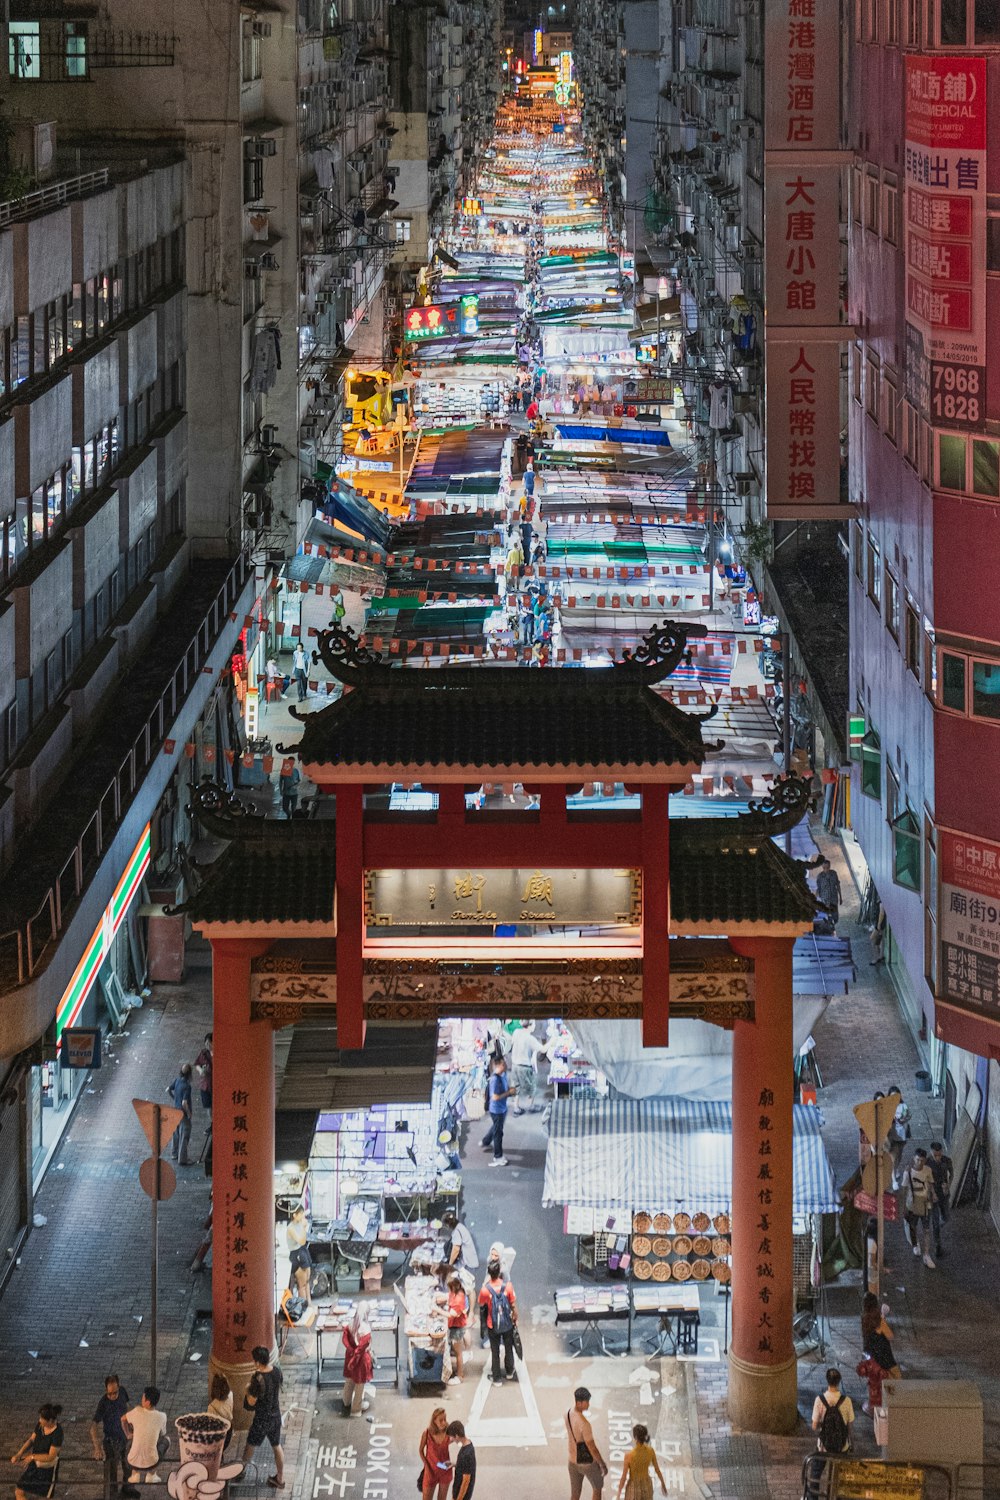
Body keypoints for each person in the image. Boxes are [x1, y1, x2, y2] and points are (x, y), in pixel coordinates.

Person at [806, 1370, 854, 1500]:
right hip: (842, 1445)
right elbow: (850, 1425)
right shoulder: (847, 1401)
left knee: (815, 1472)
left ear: (827, 1380)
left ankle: (813, 1497)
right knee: (841, 1474)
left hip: (824, 1446)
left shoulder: (820, 1400)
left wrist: (824, 1426)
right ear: (839, 1381)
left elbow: (814, 1426)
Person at [241, 1346, 285, 1489]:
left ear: (258, 1362)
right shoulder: (277, 1371)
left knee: (250, 1444)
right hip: (276, 1416)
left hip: (261, 1419)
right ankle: (280, 1478)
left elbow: (251, 1401)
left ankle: (241, 1470)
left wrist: (247, 1389)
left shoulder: (257, 1379)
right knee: (276, 1446)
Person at [121, 1387, 167, 1496]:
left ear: (147, 1402)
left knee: (133, 1441)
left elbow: (123, 1419)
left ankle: (135, 1473)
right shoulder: (162, 1416)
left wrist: (128, 1434)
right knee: (166, 1440)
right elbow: (163, 1434)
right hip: (152, 1463)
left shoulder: (136, 1411)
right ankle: (152, 1474)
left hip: (131, 1461)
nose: (141, 1399)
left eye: (143, 1397)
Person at [857, 1293, 898, 1414]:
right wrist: (883, 1318)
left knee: (874, 1382)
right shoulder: (879, 1321)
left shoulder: (864, 1318)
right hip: (884, 1356)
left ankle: (872, 1404)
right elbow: (890, 1336)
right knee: (893, 1379)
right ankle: (887, 1404)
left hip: (871, 1355)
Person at [12, 1405, 64, 1500]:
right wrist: (19, 1453)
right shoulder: (41, 1426)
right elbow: (32, 1440)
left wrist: (32, 1457)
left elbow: (50, 1456)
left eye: (42, 1418)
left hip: (47, 1469)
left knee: (47, 1496)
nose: (39, 1420)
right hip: (34, 1465)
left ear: (50, 1421)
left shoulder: (57, 1434)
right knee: (19, 1490)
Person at [478, 1258, 517, 1383]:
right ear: (499, 1271)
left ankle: (497, 1378)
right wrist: (515, 1317)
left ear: (489, 1273)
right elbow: (513, 1304)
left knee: (495, 1352)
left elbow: (481, 1303)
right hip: (507, 1322)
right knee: (508, 1347)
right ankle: (510, 1371)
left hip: (492, 1323)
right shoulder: (508, 1287)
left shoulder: (485, 1289)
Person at [566, 1387, 609, 1499]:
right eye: (587, 1402)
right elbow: (592, 1447)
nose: (589, 1405)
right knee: (597, 1487)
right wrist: (602, 1464)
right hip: (587, 1464)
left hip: (572, 1461)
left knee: (575, 1494)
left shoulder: (567, 1414)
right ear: (579, 1403)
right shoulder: (584, 1424)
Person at [91, 1375, 130, 1487]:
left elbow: (127, 1406)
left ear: (119, 1387)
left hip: (125, 1436)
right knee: (111, 1472)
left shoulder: (122, 1392)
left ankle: (127, 1490)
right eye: (109, 1393)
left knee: (128, 1466)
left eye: (115, 1393)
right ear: (106, 1390)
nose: (112, 1396)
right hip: (111, 1441)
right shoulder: (103, 1403)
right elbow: (93, 1426)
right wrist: (97, 1447)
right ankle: (111, 1494)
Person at [903, 1148, 936, 1267]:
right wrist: (904, 1206)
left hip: (925, 1203)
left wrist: (933, 1193)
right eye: (918, 1160)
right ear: (914, 1159)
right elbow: (904, 1189)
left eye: (922, 1160)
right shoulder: (908, 1173)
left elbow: (930, 1182)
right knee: (913, 1226)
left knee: (927, 1229)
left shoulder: (928, 1170)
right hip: (912, 1204)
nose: (920, 1163)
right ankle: (915, 1243)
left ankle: (926, 1255)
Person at [616, 1424, 667, 1500]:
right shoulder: (650, 1451)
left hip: (633, 1489)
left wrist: (618, 1494)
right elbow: (657, 1469)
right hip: (647, 1486)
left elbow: (624, 1477)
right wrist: (663, 1484)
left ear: (635, 1437)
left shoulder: (629, 1455)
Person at [481, 1055, 515, 1165]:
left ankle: (486, 1141)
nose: (505, 1065)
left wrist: (509, 1091)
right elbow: (495, 1097)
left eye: (504, 1063)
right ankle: (498, 1156)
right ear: (496, 1066)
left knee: (496, 1127)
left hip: (502, 1108)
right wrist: (508, 1093)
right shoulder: (495, 1080)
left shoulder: (503, 1075)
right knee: (498, 1133)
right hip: (496, 1110)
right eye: (502, 1064)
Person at [341, 1307, 373, 1416]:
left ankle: (346, 1401)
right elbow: (361, 1349)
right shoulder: (365, 1330)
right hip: (361, 1361)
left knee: (349, 1380)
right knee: (359, 1384)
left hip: (350, 1356)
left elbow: (344, 1339)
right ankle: (356, 1409)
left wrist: (351, 1353)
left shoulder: (350, 1324)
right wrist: (354, 1361)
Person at [510, 1020, 547, 1113]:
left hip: (514, 1065)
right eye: (534, 1023)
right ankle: (530, 1106)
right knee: (532, 1087)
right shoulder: (530, 1038)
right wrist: (553, 1041)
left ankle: (516, 1108)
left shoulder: (516, 1032)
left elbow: (512, 1042)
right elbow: (543, 1050)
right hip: (525, 1066)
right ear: (530, 1026)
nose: (535, 1025)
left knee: (516, 1087)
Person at [419, 1408, 453, 1500]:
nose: (444, 1422)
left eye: (445, 1419)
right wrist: (426, 1466)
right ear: (434, 1421)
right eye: (441, 1420)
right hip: (430, 1472)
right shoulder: (427, 1433)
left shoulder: (448, 1433)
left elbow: (458, 1438)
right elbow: (421, 1451)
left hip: (445, 1471)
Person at [928, 1140, 953, 1257]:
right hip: (933, 1194)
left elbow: (951, 1174)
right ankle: (938, 1246)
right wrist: (931, 1193)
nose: (938, 1158)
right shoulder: (927, 1163)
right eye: (935, 1155)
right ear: (931, 1152)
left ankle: (939, 1224)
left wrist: (948, 1185)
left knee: (946, 1217)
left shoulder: (947, 1161)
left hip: (943, 1193)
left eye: (939, 1155)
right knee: (935, 1221)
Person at [166, 1063, 193, 1165]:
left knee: (176, 1133)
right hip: (183, 1114)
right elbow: (184, 1103)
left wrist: (174, 1098)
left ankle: (174, 1153)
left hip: (175, 1111)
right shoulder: (187, 1086)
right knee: (184, 1135)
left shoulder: (177, 1080)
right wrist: (189, 1113)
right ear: (189, 1074)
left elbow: (168, 1089)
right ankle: (183, 1159)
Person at [447, 1276, 470, 1384]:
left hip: (457, 1328)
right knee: (456, 1351)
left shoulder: (459, 1298)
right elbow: (447, 1298)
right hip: (453, 1326)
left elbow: (452, 1313)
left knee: (458, 1352)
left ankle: (460, 1375)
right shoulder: (454, 1293)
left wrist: (436, 1309)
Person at [286, 1207, 312, 1303]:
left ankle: (309, 1304)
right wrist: (303, 1228)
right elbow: (301, 1241)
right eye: (300, 1214)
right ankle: (303, 1306)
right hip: (296, 1253)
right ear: (294, 1215)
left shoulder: (299, 1223)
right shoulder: (291, 1228)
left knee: (307, 1279)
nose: (302, 1216)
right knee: (302, 1284)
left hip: (303, 1251)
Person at [446, 1422, 476, 1500]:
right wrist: (455, 1464)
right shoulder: (467, 1445)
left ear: (457, 1436)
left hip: (462, 1495)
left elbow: (466, 1480)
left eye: (451, 1437)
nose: (451, 1439)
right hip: (459, 1491)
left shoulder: (467, 1454)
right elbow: (466, 1466)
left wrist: (459, 1498)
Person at [207, 1374, 234, 1449]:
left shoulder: (211, 1407)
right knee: (223, 1448)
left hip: (219, 1433)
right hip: (229, 1429)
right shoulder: (231, 1395)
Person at [816, 859, 842, 929]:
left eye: (827, 868)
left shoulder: (834, 874)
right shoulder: (820, 876)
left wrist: (841, 897)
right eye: (824, 868)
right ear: (822, 867)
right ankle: (829, 928)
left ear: (830, 866)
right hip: (825, 900)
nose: (826, 870)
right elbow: (817, 889)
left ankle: (833, 925)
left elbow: (838, 885)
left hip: (833, 899)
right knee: (827, 916)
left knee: (835, 917)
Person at [194, 1033, 213, 1114]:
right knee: (208, 1107)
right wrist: (200, 1070)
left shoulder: (221, 1053)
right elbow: (197, 1064)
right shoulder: (204, 1053)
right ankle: (212, 1123)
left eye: (209, 1043)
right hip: (205, 1085)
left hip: (216, 1085)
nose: (207, 1045)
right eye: (206, 1043)